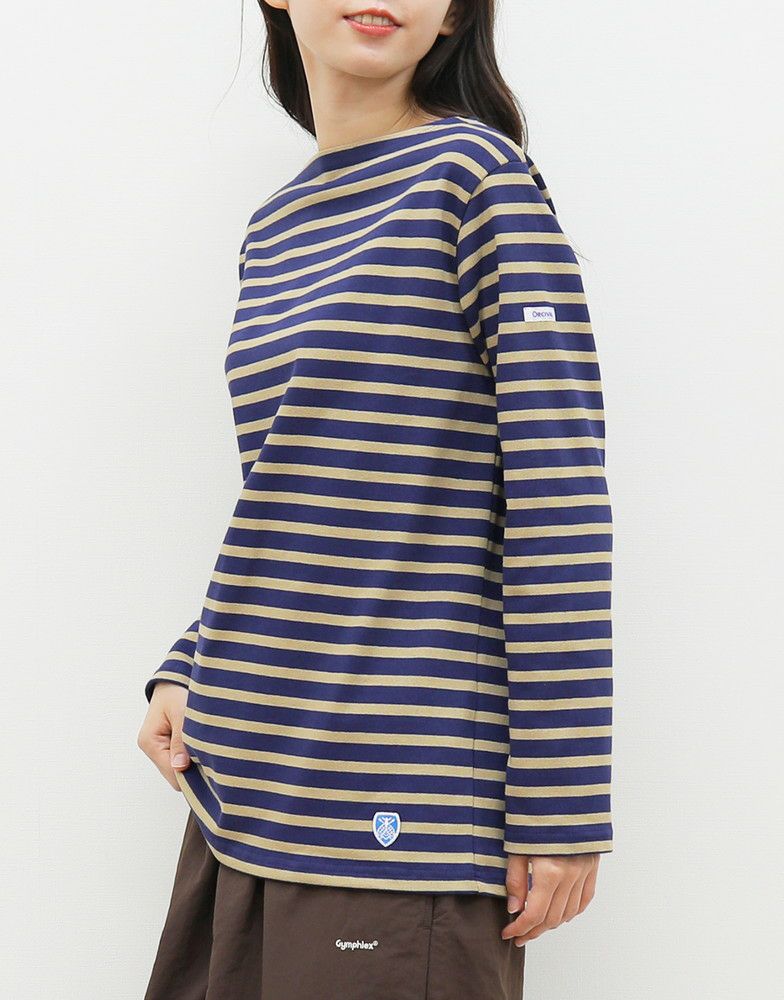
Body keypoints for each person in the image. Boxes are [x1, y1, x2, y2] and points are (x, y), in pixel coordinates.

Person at [137, 2, 613, 997]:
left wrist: (562, 801)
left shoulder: (476, 183)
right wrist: (188, 661)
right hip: (239, 783)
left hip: (399, 816)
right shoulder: (274, 227)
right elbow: (295, 494)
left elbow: (558, 499)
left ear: (453, 15)